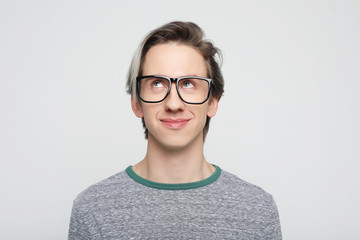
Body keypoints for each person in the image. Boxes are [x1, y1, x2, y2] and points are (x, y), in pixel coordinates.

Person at [68, 21, 282, 239]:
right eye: (157, 83)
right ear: (136, 103)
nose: (173, 104)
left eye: (188, 84)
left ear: (212, 102)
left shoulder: (258, 210)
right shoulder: (92, 209)